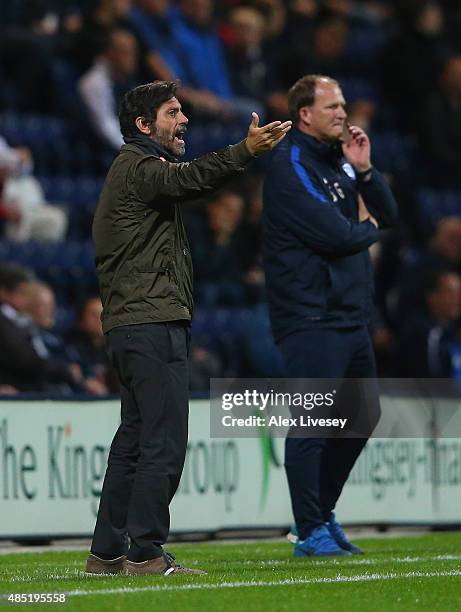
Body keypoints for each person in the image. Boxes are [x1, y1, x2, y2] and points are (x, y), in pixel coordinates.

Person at [86, 80, 291, 576]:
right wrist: (245, 150)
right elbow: (192, 179)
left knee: (134, 441)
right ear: (142, 124)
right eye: (173, 112)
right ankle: (146, 553)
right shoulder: (141, 167)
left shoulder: (131, 170)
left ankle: (108, 552)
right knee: (163, 438)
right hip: (150, 321)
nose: (184, 120)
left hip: (134, 324)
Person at [262, 74, 398, 557]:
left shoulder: (338, 162)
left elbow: (390, 215)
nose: (344, 113)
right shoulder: (290, 164)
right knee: (314, 424)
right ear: (305, 114)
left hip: (349, 314)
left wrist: (364, 173)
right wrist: (368, 226)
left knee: (363, 417)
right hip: (310, 315)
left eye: (343, 104)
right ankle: (309, 529)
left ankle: (321, 513)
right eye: (333, 106)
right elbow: (339, 237)